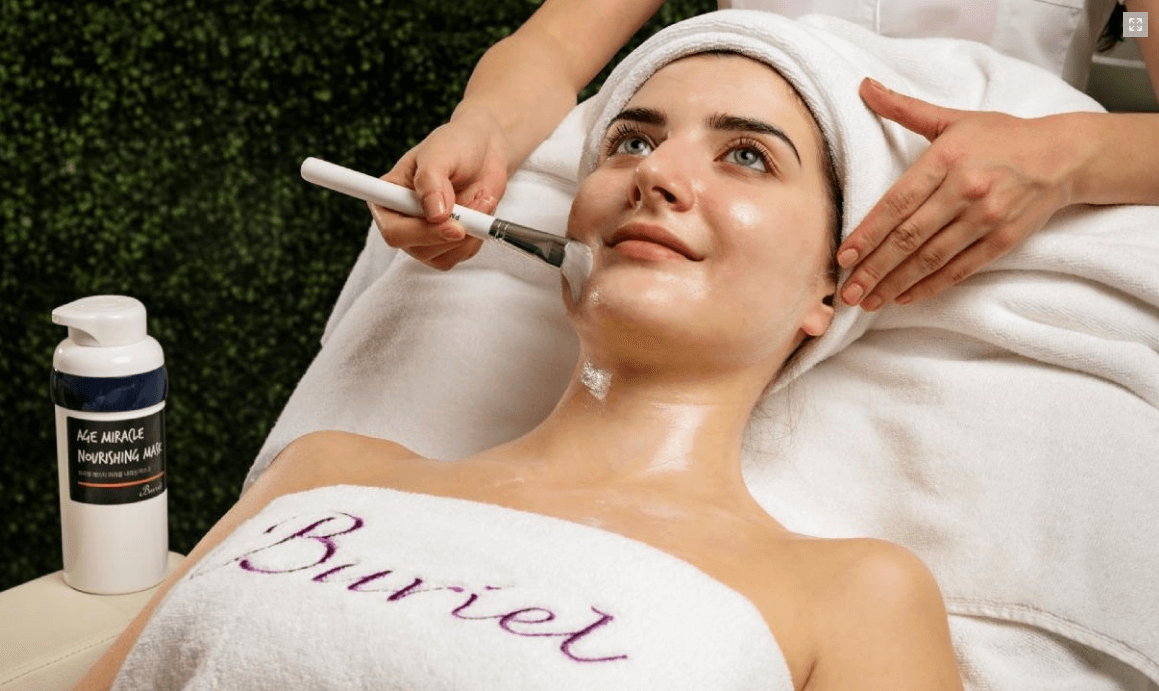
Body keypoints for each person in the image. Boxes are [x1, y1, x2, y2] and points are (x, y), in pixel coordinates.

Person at [75, 50, 963, 690]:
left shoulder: (853, 597)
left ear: (830, 288)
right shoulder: (325, 470)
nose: (657, 174)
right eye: (630, 143)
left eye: (746, 156)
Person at [372, 0, 1159, 313]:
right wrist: (484, 127)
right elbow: (550, 48)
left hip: (984, 242)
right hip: (728, 219)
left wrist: (1066, 157)